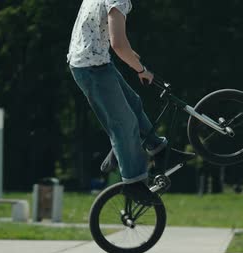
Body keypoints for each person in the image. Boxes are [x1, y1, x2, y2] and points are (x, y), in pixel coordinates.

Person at [67, 0, 169, 205]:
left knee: (133, 104)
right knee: (124, 124)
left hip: (96, 62)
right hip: (90, 68)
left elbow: (100, 31)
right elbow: (119, 44)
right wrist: (141, 70)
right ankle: (134, 184)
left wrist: (132, 57)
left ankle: (157, 148)